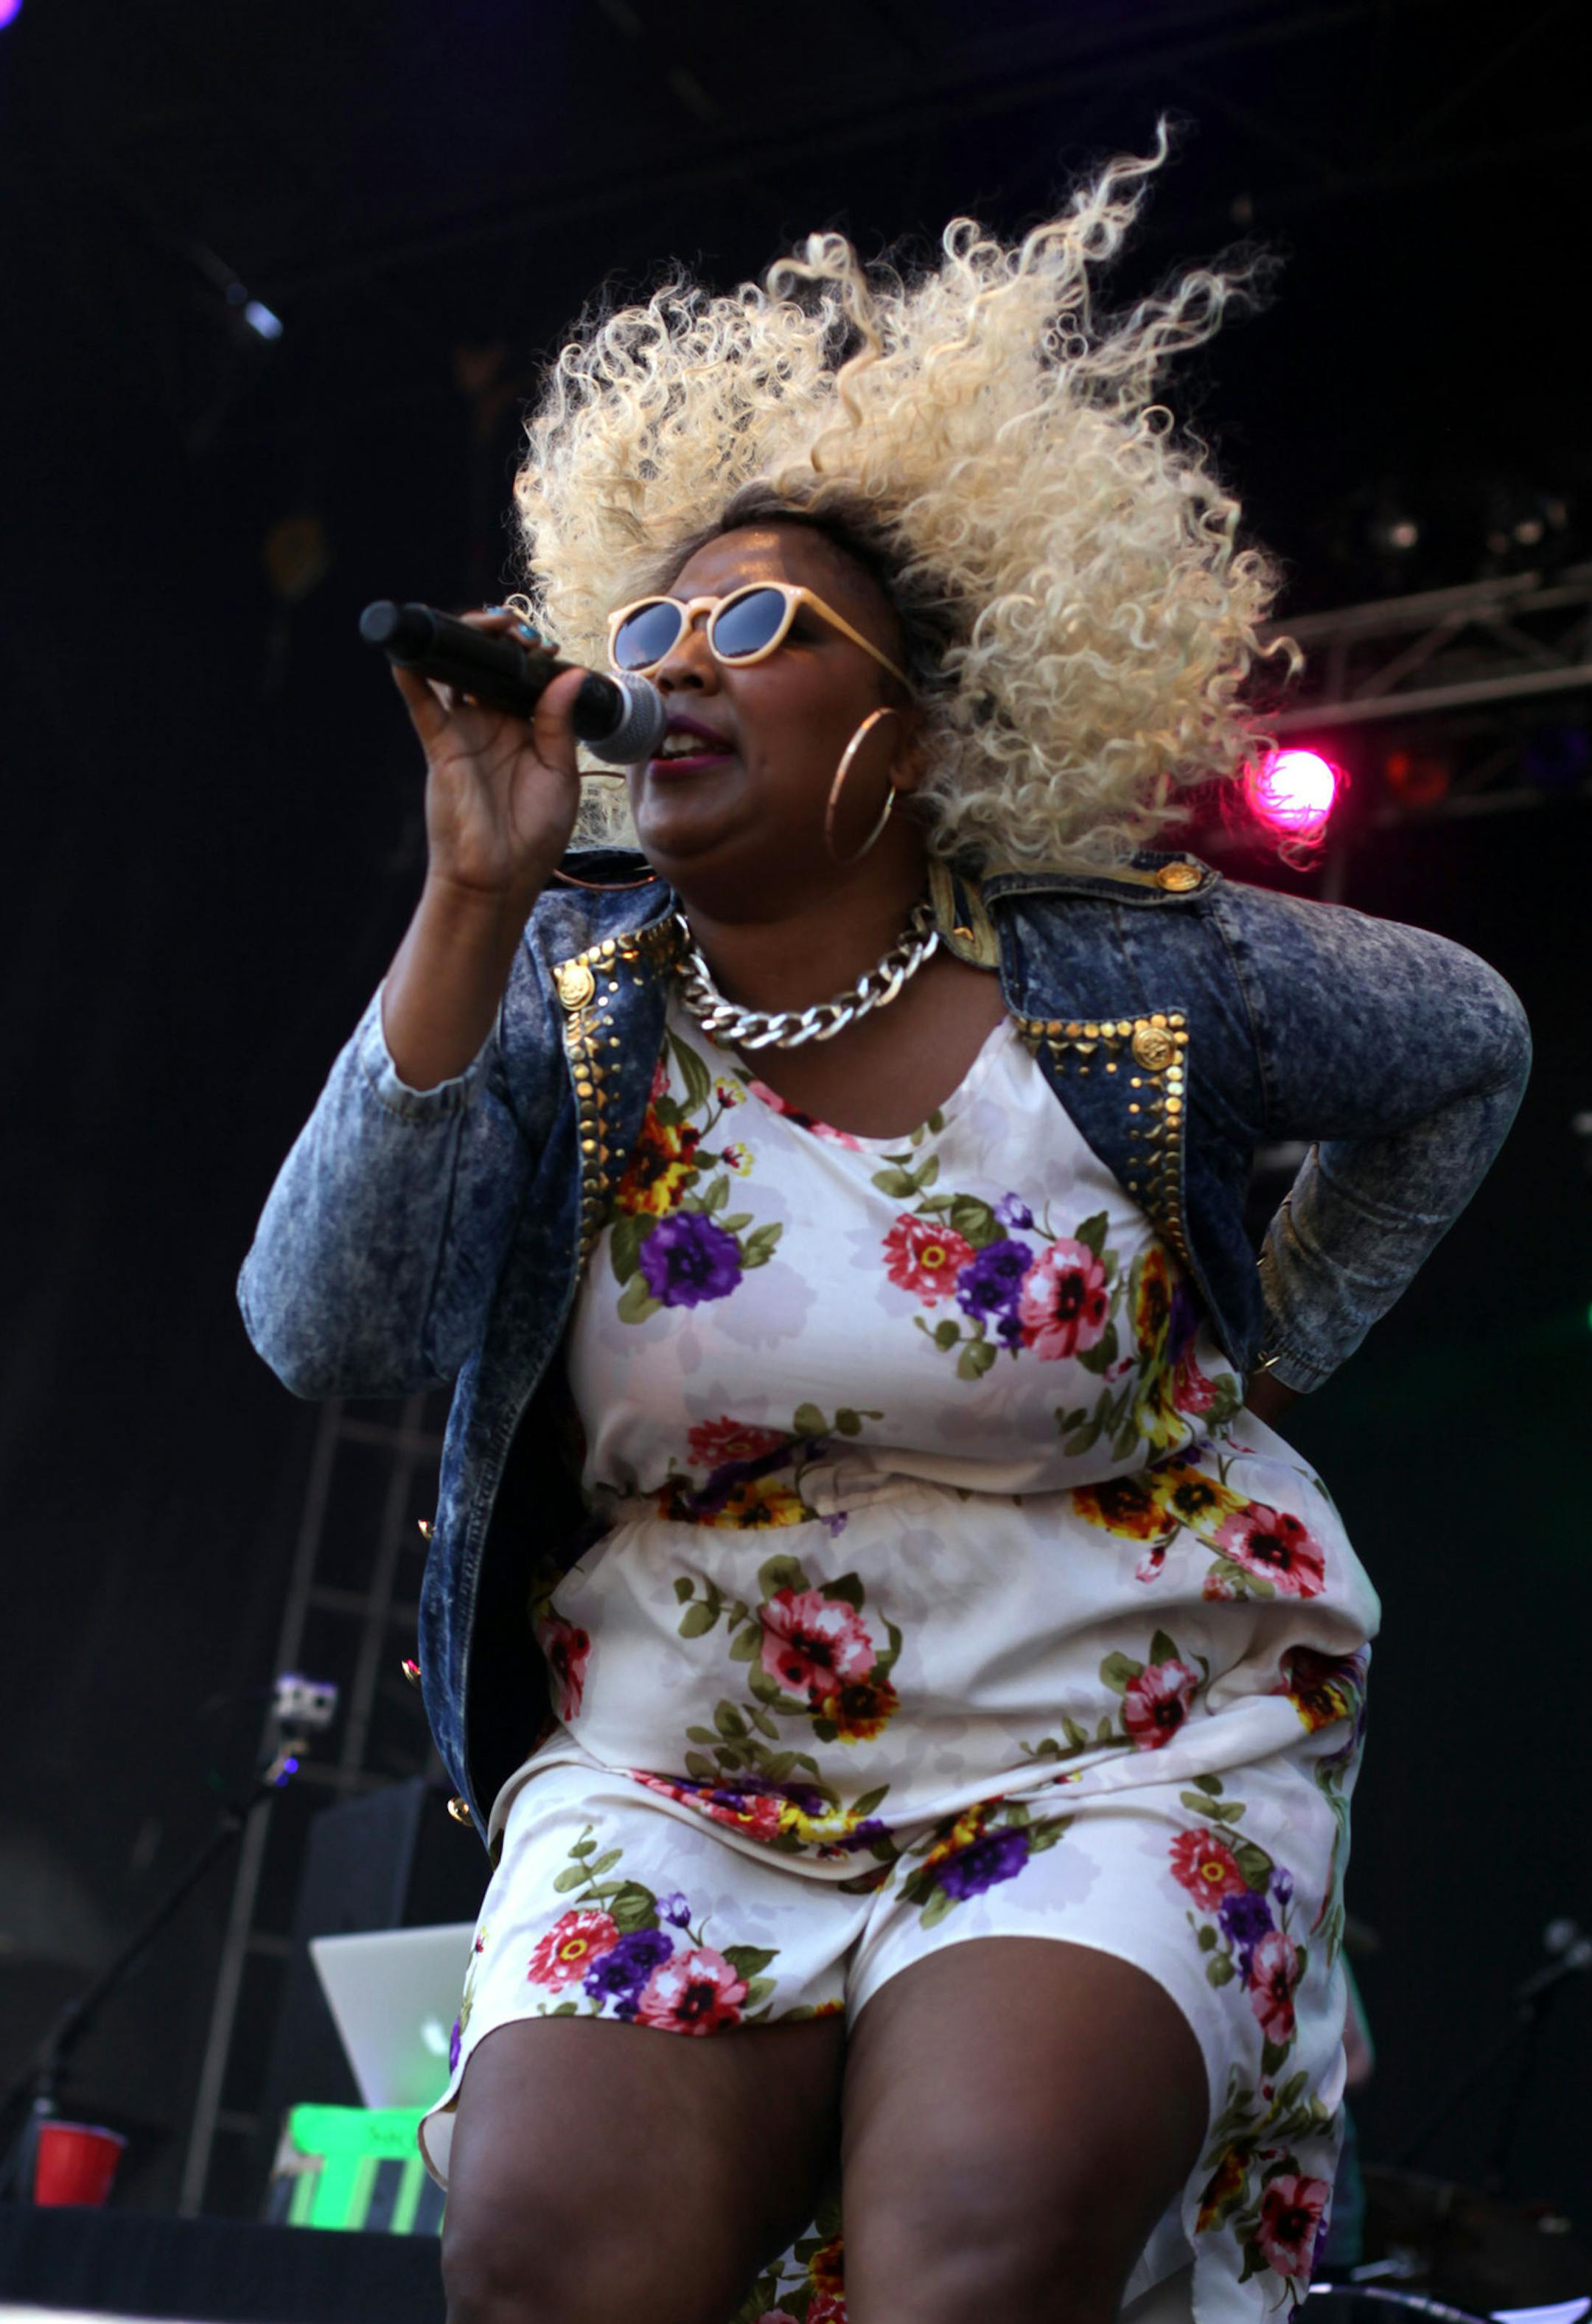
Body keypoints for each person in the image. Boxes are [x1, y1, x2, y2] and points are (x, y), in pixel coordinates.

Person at [240, 132, 1529, 2324]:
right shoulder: (572, 1010)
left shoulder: (1130, 975)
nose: (680, 666)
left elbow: (1471, 1048)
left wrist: (1274, 1333)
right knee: (547, 2266)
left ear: (907, 736)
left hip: (1107, 1733)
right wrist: (469, 897)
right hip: (683, 1755)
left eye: (753, 625)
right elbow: (324, 1326)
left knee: (981, 2239)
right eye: (647, 629)